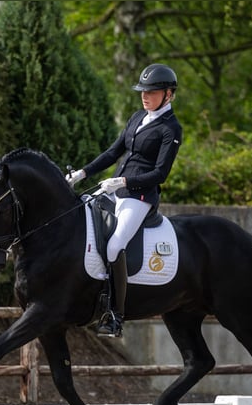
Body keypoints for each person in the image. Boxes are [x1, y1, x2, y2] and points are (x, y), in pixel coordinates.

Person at [66, 63, 183, 337]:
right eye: (143, 91)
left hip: (140, 196)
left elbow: (160, 173)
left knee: (115, 245)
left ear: (169, 94)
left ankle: (114, 315)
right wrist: (83, 173)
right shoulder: (136, 118)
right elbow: (112, 152)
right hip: (115, 189)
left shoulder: (171, 129)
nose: (145, 96)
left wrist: (123, 182)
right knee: (80, 216)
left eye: (152, 92)